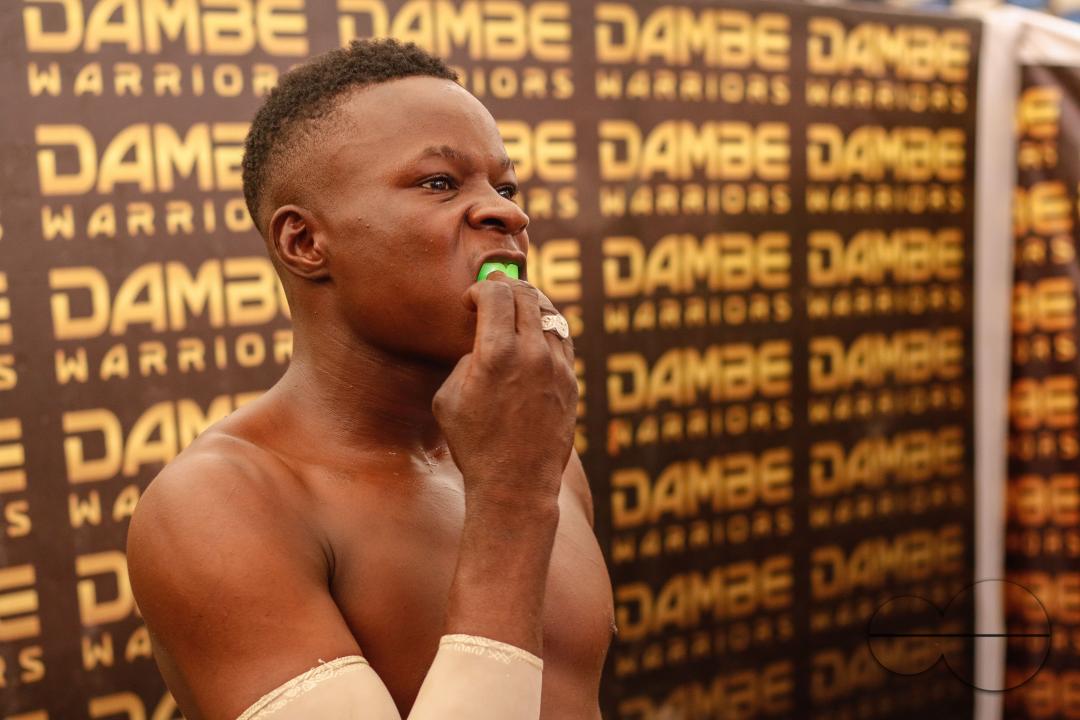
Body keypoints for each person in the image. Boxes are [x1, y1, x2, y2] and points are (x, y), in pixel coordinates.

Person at [126, 38, 615, 720]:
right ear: (304, 243)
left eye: (504, 186)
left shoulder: (539, 462)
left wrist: (520, 481)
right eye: (439, 183)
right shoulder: (221, 503)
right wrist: (508, 504)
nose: (507, 213)